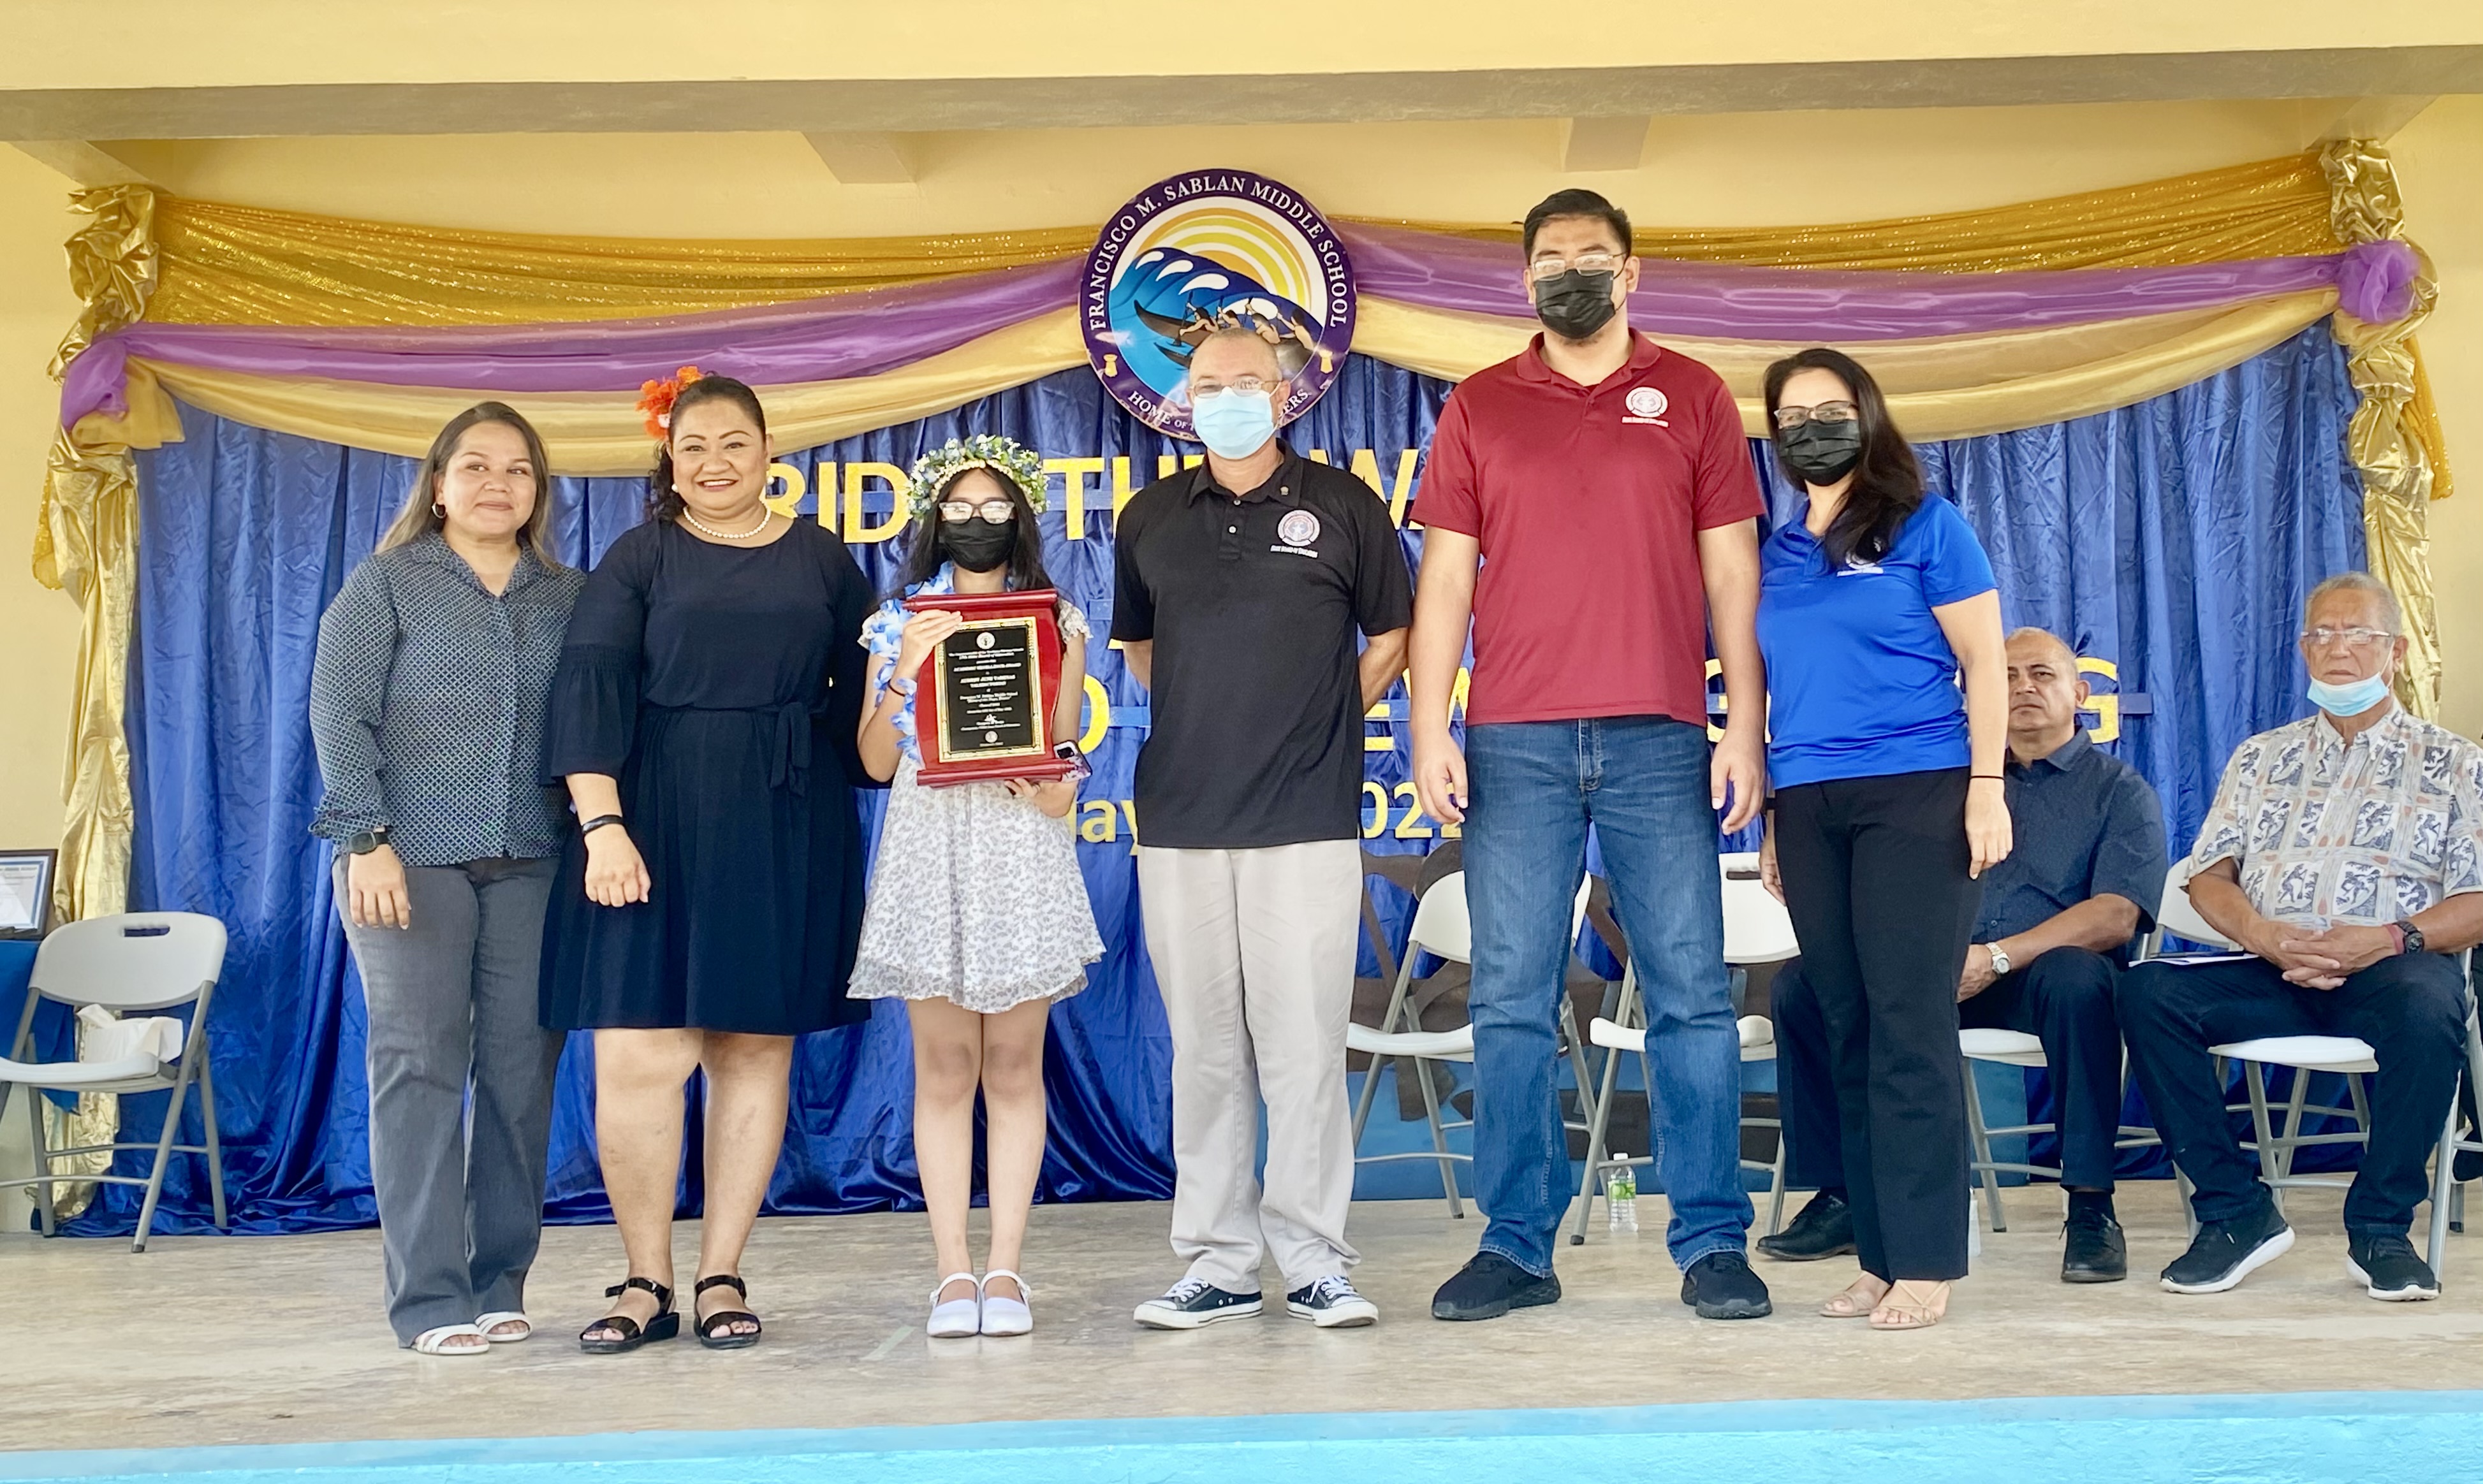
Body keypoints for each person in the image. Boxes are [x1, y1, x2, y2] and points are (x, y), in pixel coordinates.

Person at [1408, 189, 1771, 1323]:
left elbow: (1730, 577)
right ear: (1524, 281)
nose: (1571, 272)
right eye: (1550, 259)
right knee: (1511, 997)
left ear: (1629, 274)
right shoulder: (1478, 405)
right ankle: (1516, 1242)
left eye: (1592, 257)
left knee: (1690, 998)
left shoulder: (1695, 396)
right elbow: (1446, 581)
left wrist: (1742, 724)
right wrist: (1428, 725)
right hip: (1511, 737)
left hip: (1660, 734)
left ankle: (1711, 1239)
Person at [539, 372, 875, 1353]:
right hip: (651, 819)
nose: (714, 463)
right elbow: (589, 691)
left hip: (783, 821)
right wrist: (601, 826)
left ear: (770, 453)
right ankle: (645, 1278)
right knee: (639, 1054)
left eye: (734, 444)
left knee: (749, 1051)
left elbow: (867, 709)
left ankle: (722, 1272)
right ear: (669, 462)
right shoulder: (638, 557)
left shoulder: (823, 560)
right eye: (694, 448)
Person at [1115, 326, 1412, 1330]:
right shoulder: (1149, 514)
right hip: (1183, 819)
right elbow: (1140, 647)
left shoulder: (1343, 505)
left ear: (1286, 394)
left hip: (1305, 816)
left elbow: (1394, 634)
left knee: (1301, 1048)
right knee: (1202, 1052)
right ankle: (1219, 1262)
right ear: (1180, 398)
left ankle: (1316, 1258)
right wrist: (1214, 716)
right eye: (1209, 383)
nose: (1229, 395)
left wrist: (1321, 714)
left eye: (1248, 381)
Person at [1758, 627, 2165, 1284]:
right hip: (1933, 962)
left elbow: (2117, 915)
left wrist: (1998, 957)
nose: (2023, 688)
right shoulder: (1946, 783)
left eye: (2041, 674)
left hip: (2038, 972)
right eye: (2005, 677)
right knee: (1804, 985)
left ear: (2081, 692)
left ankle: (2091, 1205)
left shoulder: (2119, 790)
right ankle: (1845, 1195)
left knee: (2080, 982)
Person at [2119, 572, 2482, 1301]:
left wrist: (2386, 937)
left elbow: (2477, 898)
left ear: (2396, 651)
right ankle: (2235, 1211)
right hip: (2270, 966)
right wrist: (2263, 935)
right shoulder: (2261, 757)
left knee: (2430, 1003)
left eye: (2358, 634)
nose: (2338, 648)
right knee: (2145, 989)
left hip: (2391, 967)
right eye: (2321, 634)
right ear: (2302, 649)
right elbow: (2208, 877)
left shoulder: (2456, 762)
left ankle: (2381, 1227)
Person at [309, 404, 581, 1356]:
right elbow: (339, 714)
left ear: (539, 491)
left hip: (534, 863)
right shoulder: (385, 585)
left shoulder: (567, 596)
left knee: (519, 1079)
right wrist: (364, 838)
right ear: (439, 484)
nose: (495, 484)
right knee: (419, 1072)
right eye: (475, 466)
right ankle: (427, 1301)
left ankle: (499, 1278)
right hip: (408, 860)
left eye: (517, 469)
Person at [1752, 346, 2011, 1331]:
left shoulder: (1925, 524)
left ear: (1866, 414)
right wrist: (1777, 812)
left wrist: (1985, 787)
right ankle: (1876, 1252)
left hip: (1918, 790)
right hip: (1812, 801)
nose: (1811, 425)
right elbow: (1773, 688)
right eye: (1791, 413)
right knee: (1845, 1022)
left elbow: (1983, 662)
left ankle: (1929, 1258)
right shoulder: (1777, 549)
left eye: (1829, 407)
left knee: (1908, 1027)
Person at [853, 435, 1103, 1339]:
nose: (975, 522)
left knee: (1012, 1066)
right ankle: (951, 1273)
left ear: (1021, 518)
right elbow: (877, 760)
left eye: (993, 508)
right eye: (956, 509)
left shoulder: (1059, 621)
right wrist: (906, 669)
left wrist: (1053, 784)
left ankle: (1007, 1269)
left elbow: (1064, 743)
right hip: (928, 841)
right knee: (945, 1067)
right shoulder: (895, 621)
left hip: (1017, 843)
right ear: (931, 521)